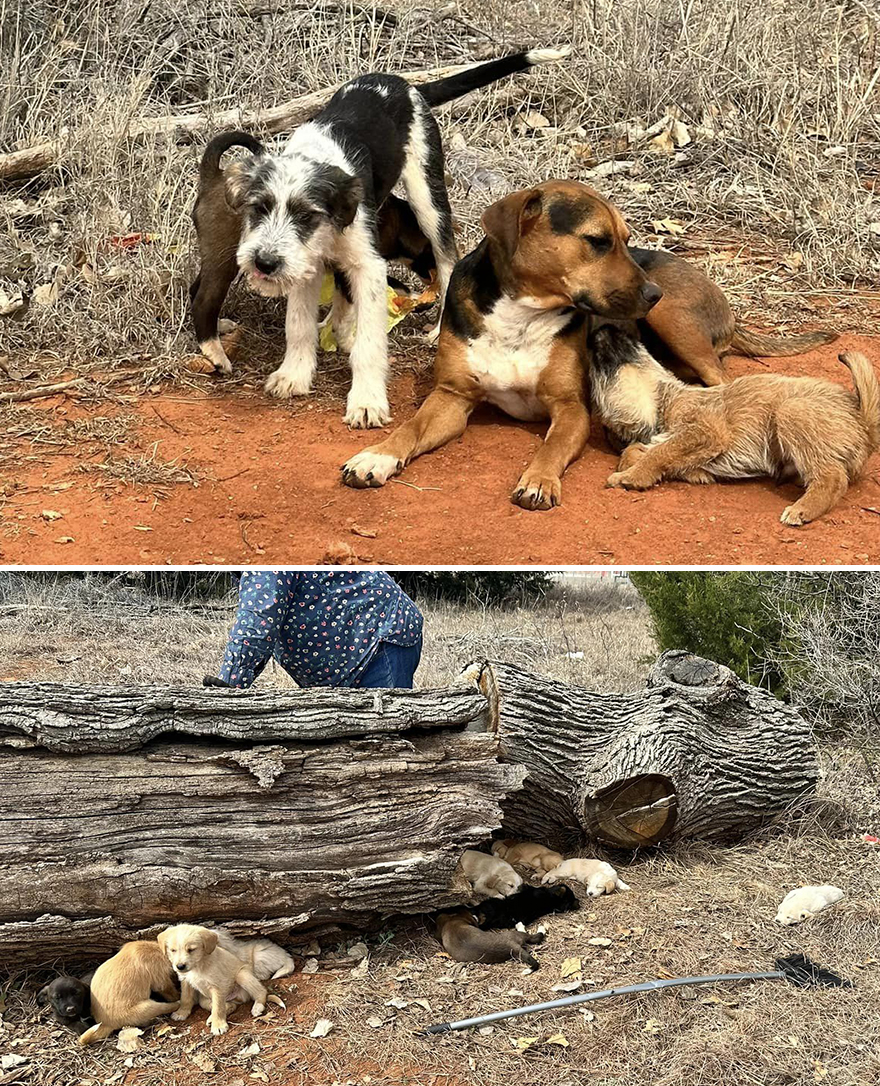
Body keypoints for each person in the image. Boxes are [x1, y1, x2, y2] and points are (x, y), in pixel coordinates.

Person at [205, 571, 423, 689]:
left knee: (385, 737)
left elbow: (259, 620)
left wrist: (230, 683)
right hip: (354, 651)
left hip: (379, 635)